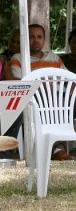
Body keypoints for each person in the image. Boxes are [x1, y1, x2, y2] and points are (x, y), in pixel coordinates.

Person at [11, 23, 72, 160]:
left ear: (44, 39)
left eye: (39, 37)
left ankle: (55, 148)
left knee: (62, 102)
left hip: (58, 99)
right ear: (25, 39)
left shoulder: (53, 57)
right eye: (32, 37)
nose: (36, 40)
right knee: (46, 104)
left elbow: (69, 79)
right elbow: (18, 82)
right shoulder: (18, 58)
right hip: (34, 99)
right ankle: (56, 149)